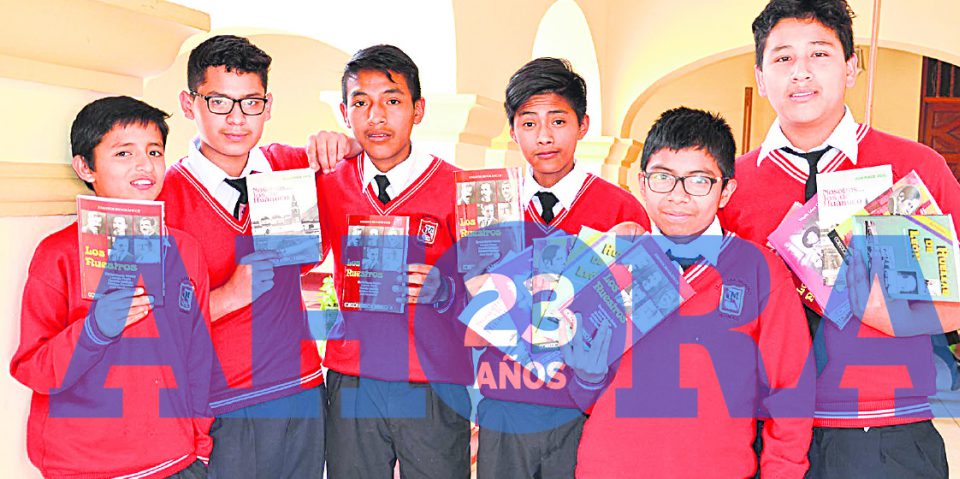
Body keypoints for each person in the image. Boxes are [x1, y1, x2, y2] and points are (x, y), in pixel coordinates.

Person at [719, 1, 960, 476]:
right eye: (783, 57)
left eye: (819, 54)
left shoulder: (916, 166)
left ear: (850, 67)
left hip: (889, 435)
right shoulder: (728, 186)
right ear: (761, 78)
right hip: (764, 433)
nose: (801, 72)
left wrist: (905, 317)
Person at [566, 106, 813, 478]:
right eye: (663, 177)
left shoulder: (759, 270)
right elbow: (580, 394)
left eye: (698, 181)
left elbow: (790, 392)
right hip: (606, 468)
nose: (678, 195)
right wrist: (587, 376)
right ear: (641, 182)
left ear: (726, 190)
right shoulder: (611, 260)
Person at [158, 34, 353, 478]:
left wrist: (342, 142)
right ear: (189, 104)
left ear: (267, 107)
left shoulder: (290, 167)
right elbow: (149, 319)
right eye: (219, 102)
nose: (236, 119)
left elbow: (370, 154)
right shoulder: (165, 197)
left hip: (302, 390)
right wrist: (228, 295)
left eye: (250, 103)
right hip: (220, 402)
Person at [10, 96, 213, 479]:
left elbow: (199, 358)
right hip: (84, 466)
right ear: (85, 167)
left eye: (154, 151)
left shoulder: (185, 250)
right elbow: (32, 368)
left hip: (176, 460)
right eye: (123, 153)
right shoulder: (58, 254)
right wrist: (94, 330)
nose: (144, 164)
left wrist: (199, 444)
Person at [473, 57, 651, 479]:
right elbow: (470, 307)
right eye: (528, 123)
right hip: (505, 404)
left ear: (582, 125)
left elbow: (636, 317)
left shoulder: (621, 210)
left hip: (584, 409)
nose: (544, 136)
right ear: (513, 130)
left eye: (558, 121)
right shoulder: (490, 207)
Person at [313, 44, 473, 479]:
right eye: (361, 103)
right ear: (344, 113)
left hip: (433, 380)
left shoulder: (459, 187)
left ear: (418, 110)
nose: (376, 117)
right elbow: (296, 265)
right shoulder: (327, 183)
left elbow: (496, 292)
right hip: (352, 377)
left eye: (392, 101)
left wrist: (446, 289)